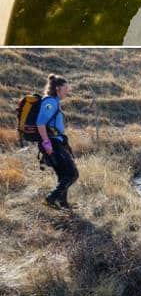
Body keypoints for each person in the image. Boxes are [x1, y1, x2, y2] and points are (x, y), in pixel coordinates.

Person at [37, 73, 79, 209]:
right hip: (52, 143)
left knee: (63, 174)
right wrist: (46, 143)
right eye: (66, 88)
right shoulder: (50, 102)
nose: (68, 91)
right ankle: (50, 198)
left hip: (56, 142)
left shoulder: (55, 102)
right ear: (57, 88)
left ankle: (63, 204)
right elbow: (40, 123)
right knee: (72, 174)